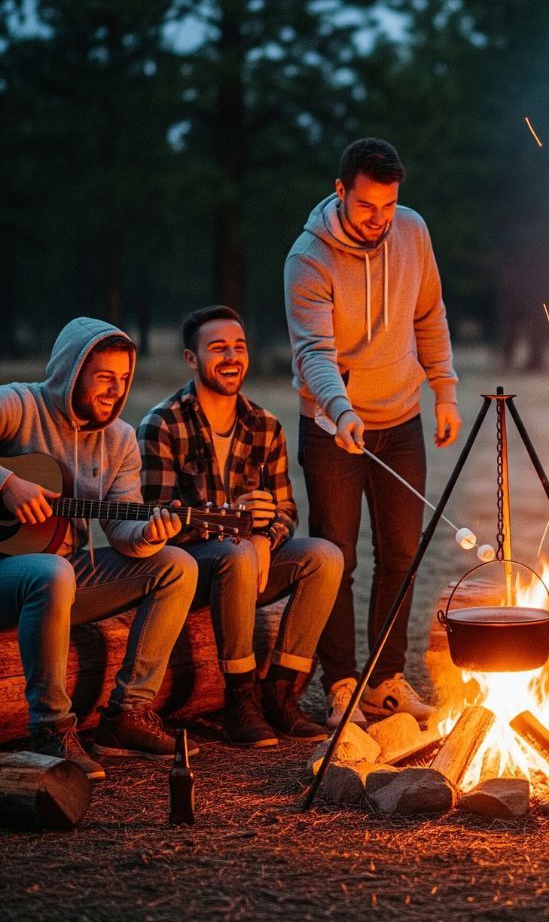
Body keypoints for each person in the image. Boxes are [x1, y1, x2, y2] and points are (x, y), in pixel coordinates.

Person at [284, 138, 460, 727]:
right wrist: (340, 407)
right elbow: (313, 351)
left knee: (402, 557)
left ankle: (386, 679)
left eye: (388, 205)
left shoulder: (412, 231)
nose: (379, 219)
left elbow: (428, 313)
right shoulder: (308, 259)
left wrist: (444, 390)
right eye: (366, 206)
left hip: (402, 420)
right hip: (334, 429)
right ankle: (340, 684)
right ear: (341, 193)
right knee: (338, 558)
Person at [0, 318, 198, 779]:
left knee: (177, 566)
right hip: (17, 577)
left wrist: (150, 533)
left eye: (124, 378)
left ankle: (127, 714)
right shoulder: (17, 405)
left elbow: (122, 526)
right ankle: (50, 729)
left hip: (61, 577)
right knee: (52, 572)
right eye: (104, 377)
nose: (116, 389)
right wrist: (8, 483)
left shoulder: (121, 440)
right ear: (71, 371)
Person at [139, 306, 343, 746]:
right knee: (233, 556)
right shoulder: (162, 424)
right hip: (195, 572)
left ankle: (281, 692)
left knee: (326, 557)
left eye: (239, 346)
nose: (231, 356)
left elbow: (286, 510)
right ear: (191, 359)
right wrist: (235, 528)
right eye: (217, 348)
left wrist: (265, 538)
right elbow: (158, 523)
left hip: (256, 563)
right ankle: (240, 697)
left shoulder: (265, 425)